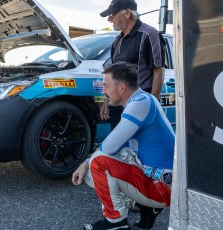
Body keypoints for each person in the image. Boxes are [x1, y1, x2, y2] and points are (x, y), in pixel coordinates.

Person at [72, 62, 174, 230]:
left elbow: (109, 147)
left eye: (106, 85)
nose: (103, 91)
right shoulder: (144, 99)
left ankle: (116, 222)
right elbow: (120, 146)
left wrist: (86, 162)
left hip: (162, 188)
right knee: (103, 162)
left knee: (97, 164)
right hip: (163, 180)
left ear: (121, 88)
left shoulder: (139, 104)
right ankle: (144, 206)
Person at [99, 0, 165, 130]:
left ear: (127, 13)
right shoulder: (117, 41)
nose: (109, 19)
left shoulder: (149, 34)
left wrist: (151, 105)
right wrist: (107, 99)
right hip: (118, 103)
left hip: (139, 103)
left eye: (112, 14)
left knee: (138, 147)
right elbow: (114, 75)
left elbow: (158, 71)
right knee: (119, 147)